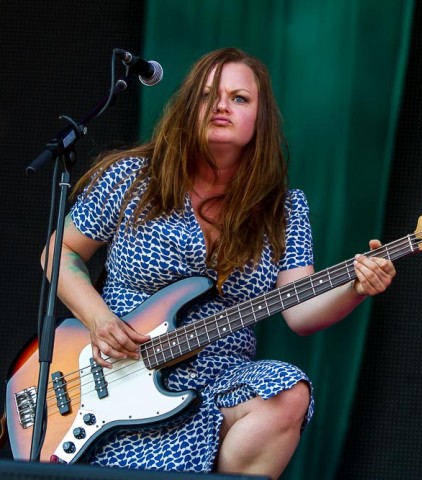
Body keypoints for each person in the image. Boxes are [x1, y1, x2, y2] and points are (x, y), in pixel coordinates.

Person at [42, 47, 396, 479]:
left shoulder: (283, 211)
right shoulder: (132, 178)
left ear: (259, 118)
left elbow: (300, 311)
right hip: (114, 377)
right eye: (209, 95)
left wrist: (356, 286)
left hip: (222, 381)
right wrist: (99, 320)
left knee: (288, 391)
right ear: (190, 107)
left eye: (240, 98)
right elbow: (59, 254)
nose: (222, 106)